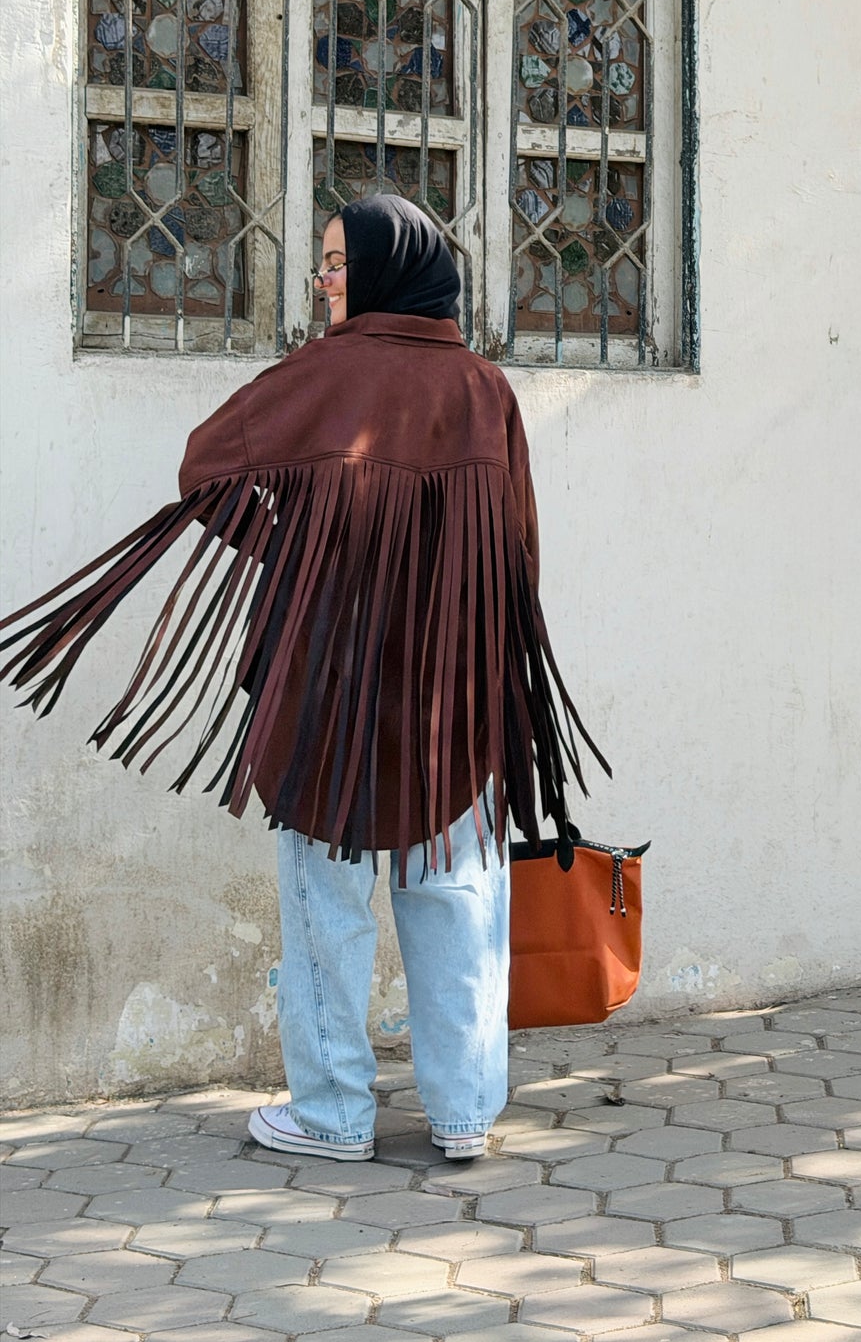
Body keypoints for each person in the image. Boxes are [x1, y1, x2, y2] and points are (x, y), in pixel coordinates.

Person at [1, 194, 604, 1163]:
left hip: (327, 674)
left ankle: (331, 1115)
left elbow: (206, 464)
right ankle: (462, 1113)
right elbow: (517, 545)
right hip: (451, 676)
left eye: (334, 265)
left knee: (326, 901)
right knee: (455, 890)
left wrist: (289, 547)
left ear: (377, 271)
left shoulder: (320, 375)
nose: (324, 282)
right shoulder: (484, 388)